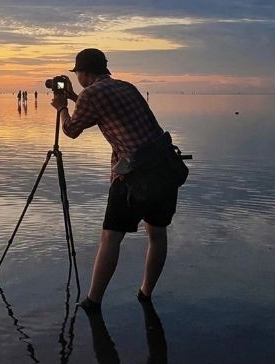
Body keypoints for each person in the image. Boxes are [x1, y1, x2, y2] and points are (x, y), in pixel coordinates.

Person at [51, 48, 184, 311]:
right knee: (157, 234)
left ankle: (93, 301)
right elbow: (102, 111)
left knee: (110, 237)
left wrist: (62, 107)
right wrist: (75, 97)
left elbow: (71, 130)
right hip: (164, 167)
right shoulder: (125, 86)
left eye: (77, 73)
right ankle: (145, 293)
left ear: (84, 72)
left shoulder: (91, 94)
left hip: (134, 176)